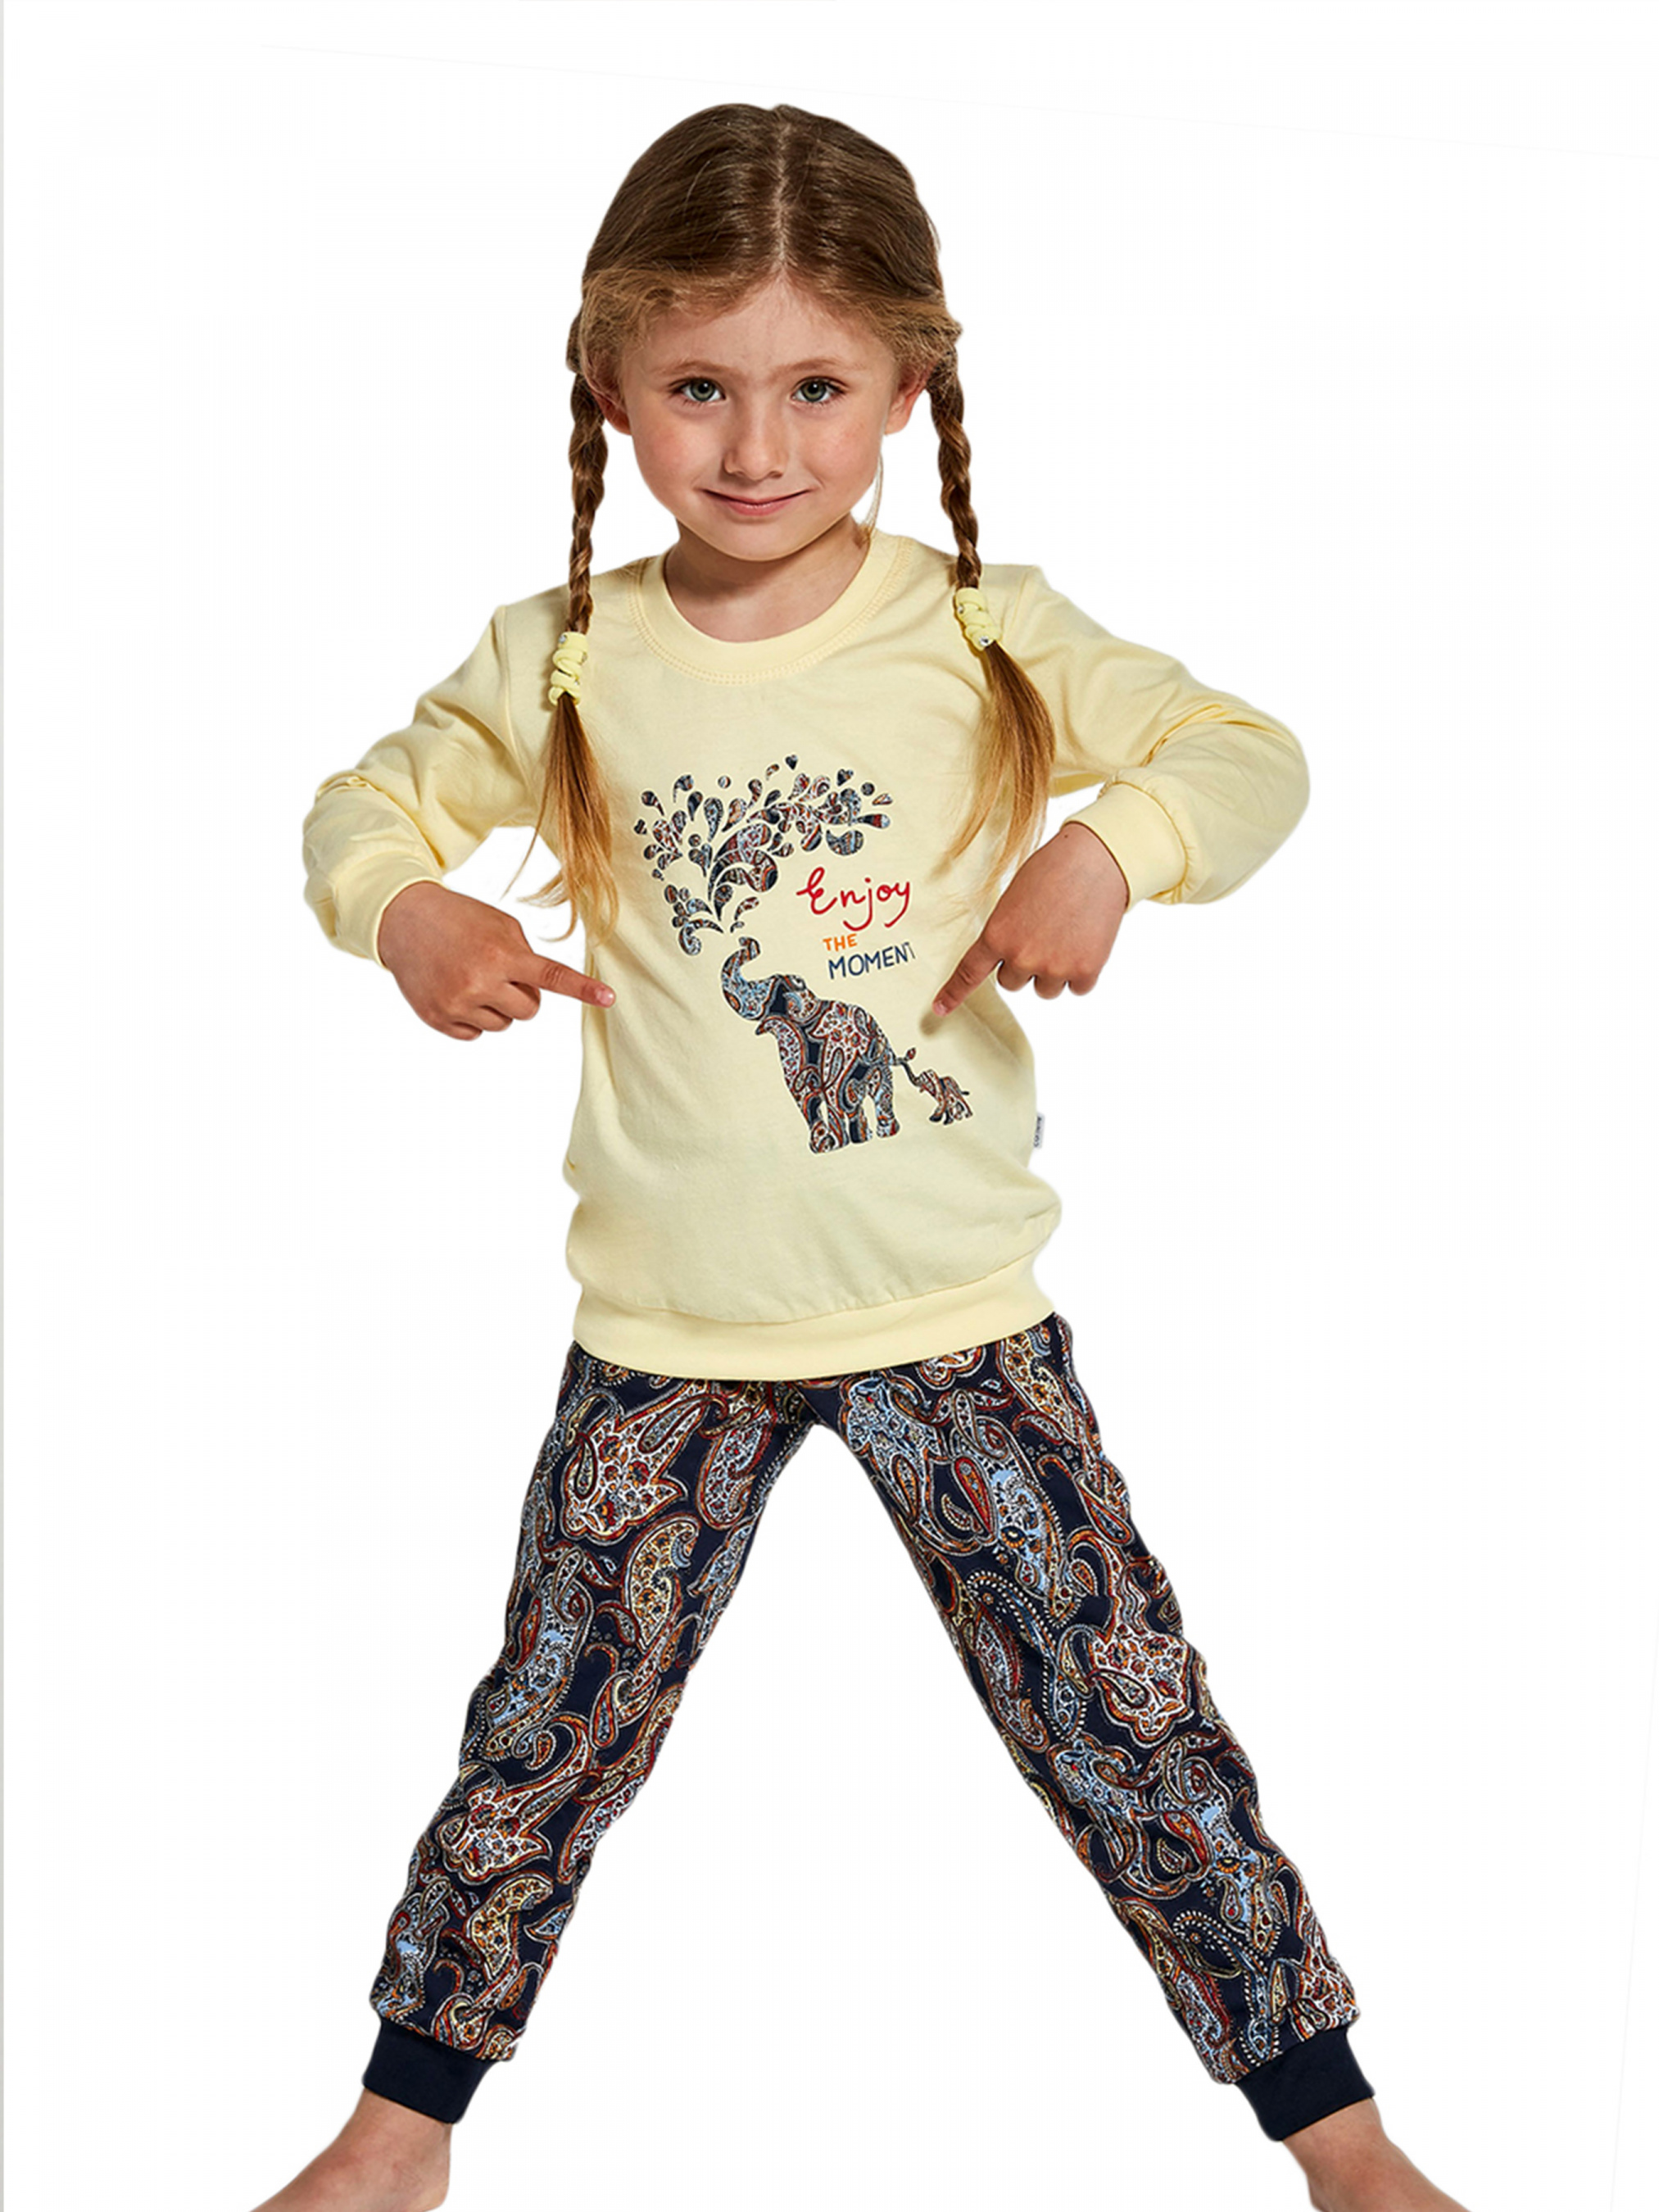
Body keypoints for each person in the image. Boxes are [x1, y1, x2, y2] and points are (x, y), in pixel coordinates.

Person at [261, 102, 1471, 2212]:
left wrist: (1114, 846)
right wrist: (411, 911)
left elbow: (1247, 757)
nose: (757, 447)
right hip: (671, 1331)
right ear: (610, 382)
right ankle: (398, 2134)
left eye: (816, 387)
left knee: (1123, 1716)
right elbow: (363, 809)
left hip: (950, 1314)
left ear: (910, 382)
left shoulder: (981, 631)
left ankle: (1343, 2141)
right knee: (545, 1737)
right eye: (699, 389)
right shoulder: (565, 654)